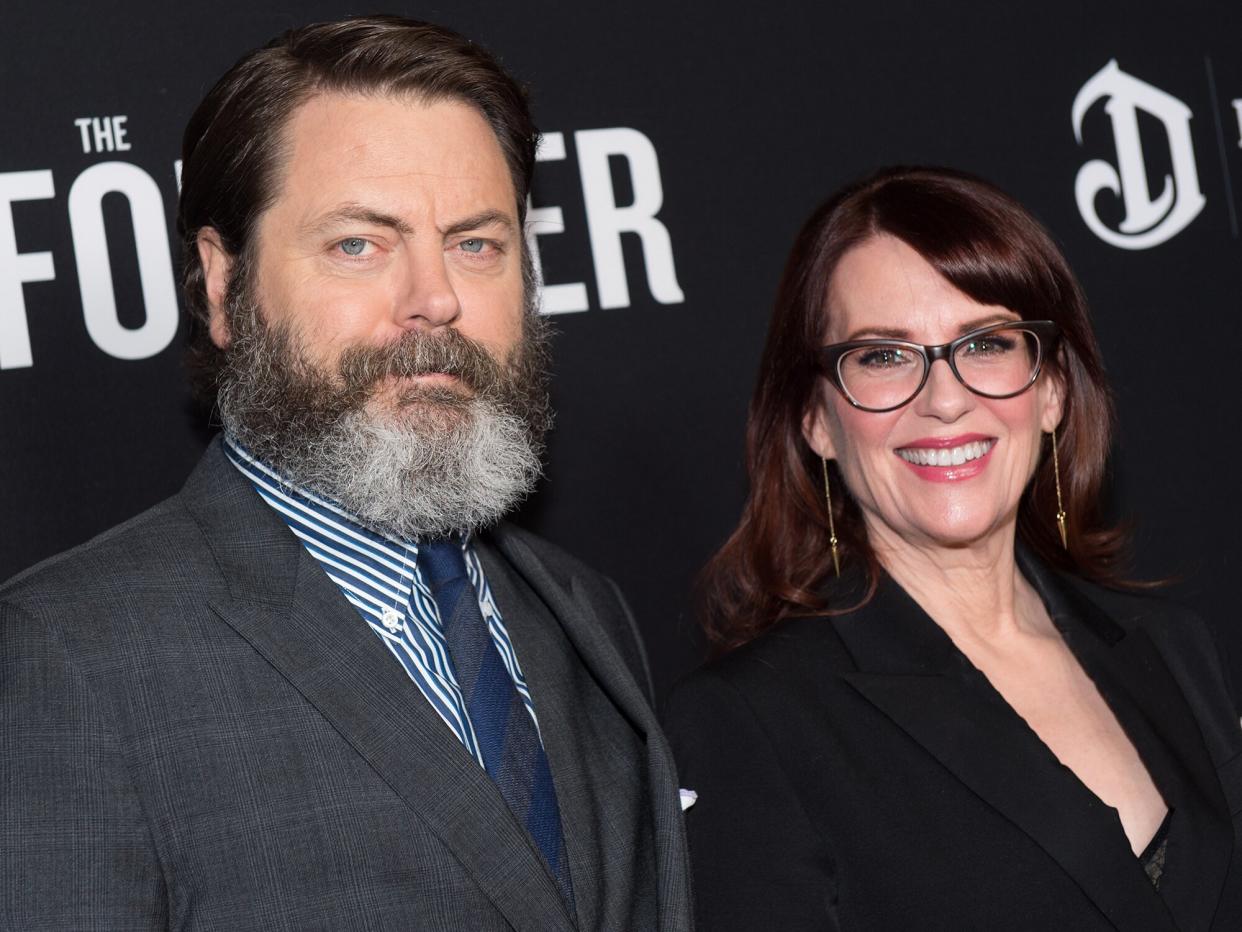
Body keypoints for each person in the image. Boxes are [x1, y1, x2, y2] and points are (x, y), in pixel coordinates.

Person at [0, 16, 691, 931]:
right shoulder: (72, 660)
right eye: (358, 245)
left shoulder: (580, 612)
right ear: (222, 286)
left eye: (476, 244)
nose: (434, 299)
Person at [664, 166, 1242, 930]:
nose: (945, 399)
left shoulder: (1171, 646)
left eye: (986, 342)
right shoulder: (753, 722)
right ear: (814, 419)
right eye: (883, 356)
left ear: (1052, 389)